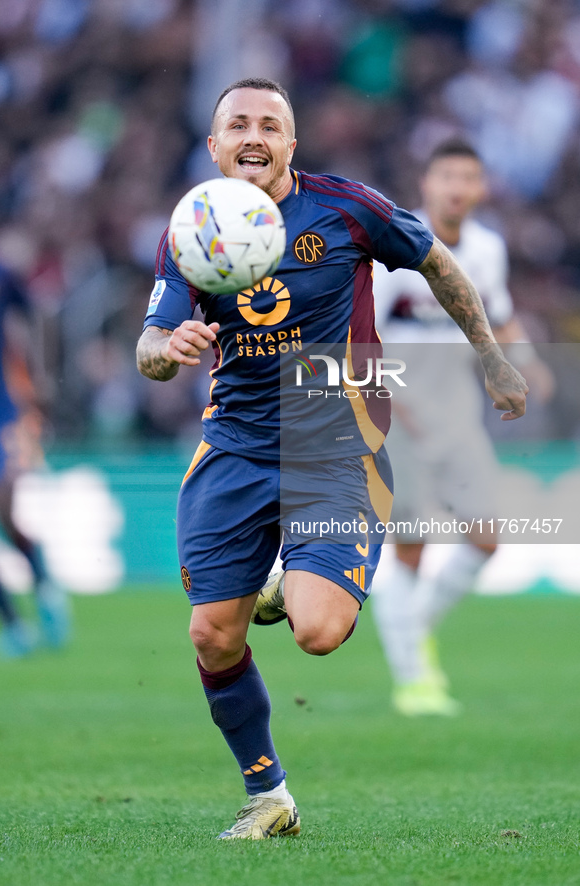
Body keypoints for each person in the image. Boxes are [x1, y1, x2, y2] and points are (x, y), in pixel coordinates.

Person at [136, 79, 527, 840]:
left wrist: (491, 357)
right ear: (212, 145)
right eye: (237, 124)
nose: (254, 135)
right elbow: (151, 344)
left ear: (291, 142)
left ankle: (291, 585)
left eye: (270, 125)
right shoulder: (192, 226)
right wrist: (168, 347)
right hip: (234, 448)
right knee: (212, 634)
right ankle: (269, 796)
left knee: (317, 631)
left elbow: (437, 263)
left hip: (335, 447)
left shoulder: (348, 208)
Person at [370, 138, 553, 717]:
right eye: (445, 175)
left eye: (467, 177)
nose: (455, 187)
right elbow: (360, 339)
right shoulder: (396, 249)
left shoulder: (486, 250)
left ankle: (412, 630)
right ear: (426, 185)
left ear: (480, 190)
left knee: (485, 538)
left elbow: (497, 317)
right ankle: (413, 680)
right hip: (399, 414)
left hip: (457, 416)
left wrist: (524, 363)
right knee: (411, 544)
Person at [0, 258, 70, 657]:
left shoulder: (0, 272)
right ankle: (13, 624)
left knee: (4, 506)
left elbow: (37, 313)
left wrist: (40, 370)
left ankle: (43, 586)